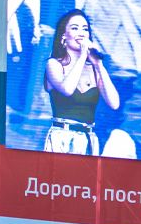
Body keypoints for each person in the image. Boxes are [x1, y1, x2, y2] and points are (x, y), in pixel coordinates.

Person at [42, 9, 120, 154]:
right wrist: (83, 55)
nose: (81, 33)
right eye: (75, 28)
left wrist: (99, 65)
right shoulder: (54, 64)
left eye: (85, 29)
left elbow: (114, 103)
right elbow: (67, 89)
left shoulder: (94, 69)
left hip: (88, 140)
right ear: (63, 36)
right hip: (62, 139)